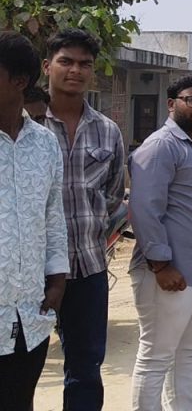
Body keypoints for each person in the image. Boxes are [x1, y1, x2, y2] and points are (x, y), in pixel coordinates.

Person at [128, 75, 192, 411]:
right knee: (156, 356)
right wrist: (161, 264)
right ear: (172, 104)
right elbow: (144, 208)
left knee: (185, 352)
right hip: (169, 273)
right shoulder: (161, 146)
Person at [39, 28, 126, 411]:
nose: (75, 70)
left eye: (84, 64)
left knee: (86, 369)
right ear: (47, 66)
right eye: (66, 62)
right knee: (21, 366)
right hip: (33, 271)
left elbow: (113, 195)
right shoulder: (27, 127)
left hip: (89, 268)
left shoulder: (107, 131)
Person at [0, 32, 68, 408]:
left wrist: (57, 282)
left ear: (19, 80)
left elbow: (53, 217)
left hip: (30, 315)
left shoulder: (44, 144)